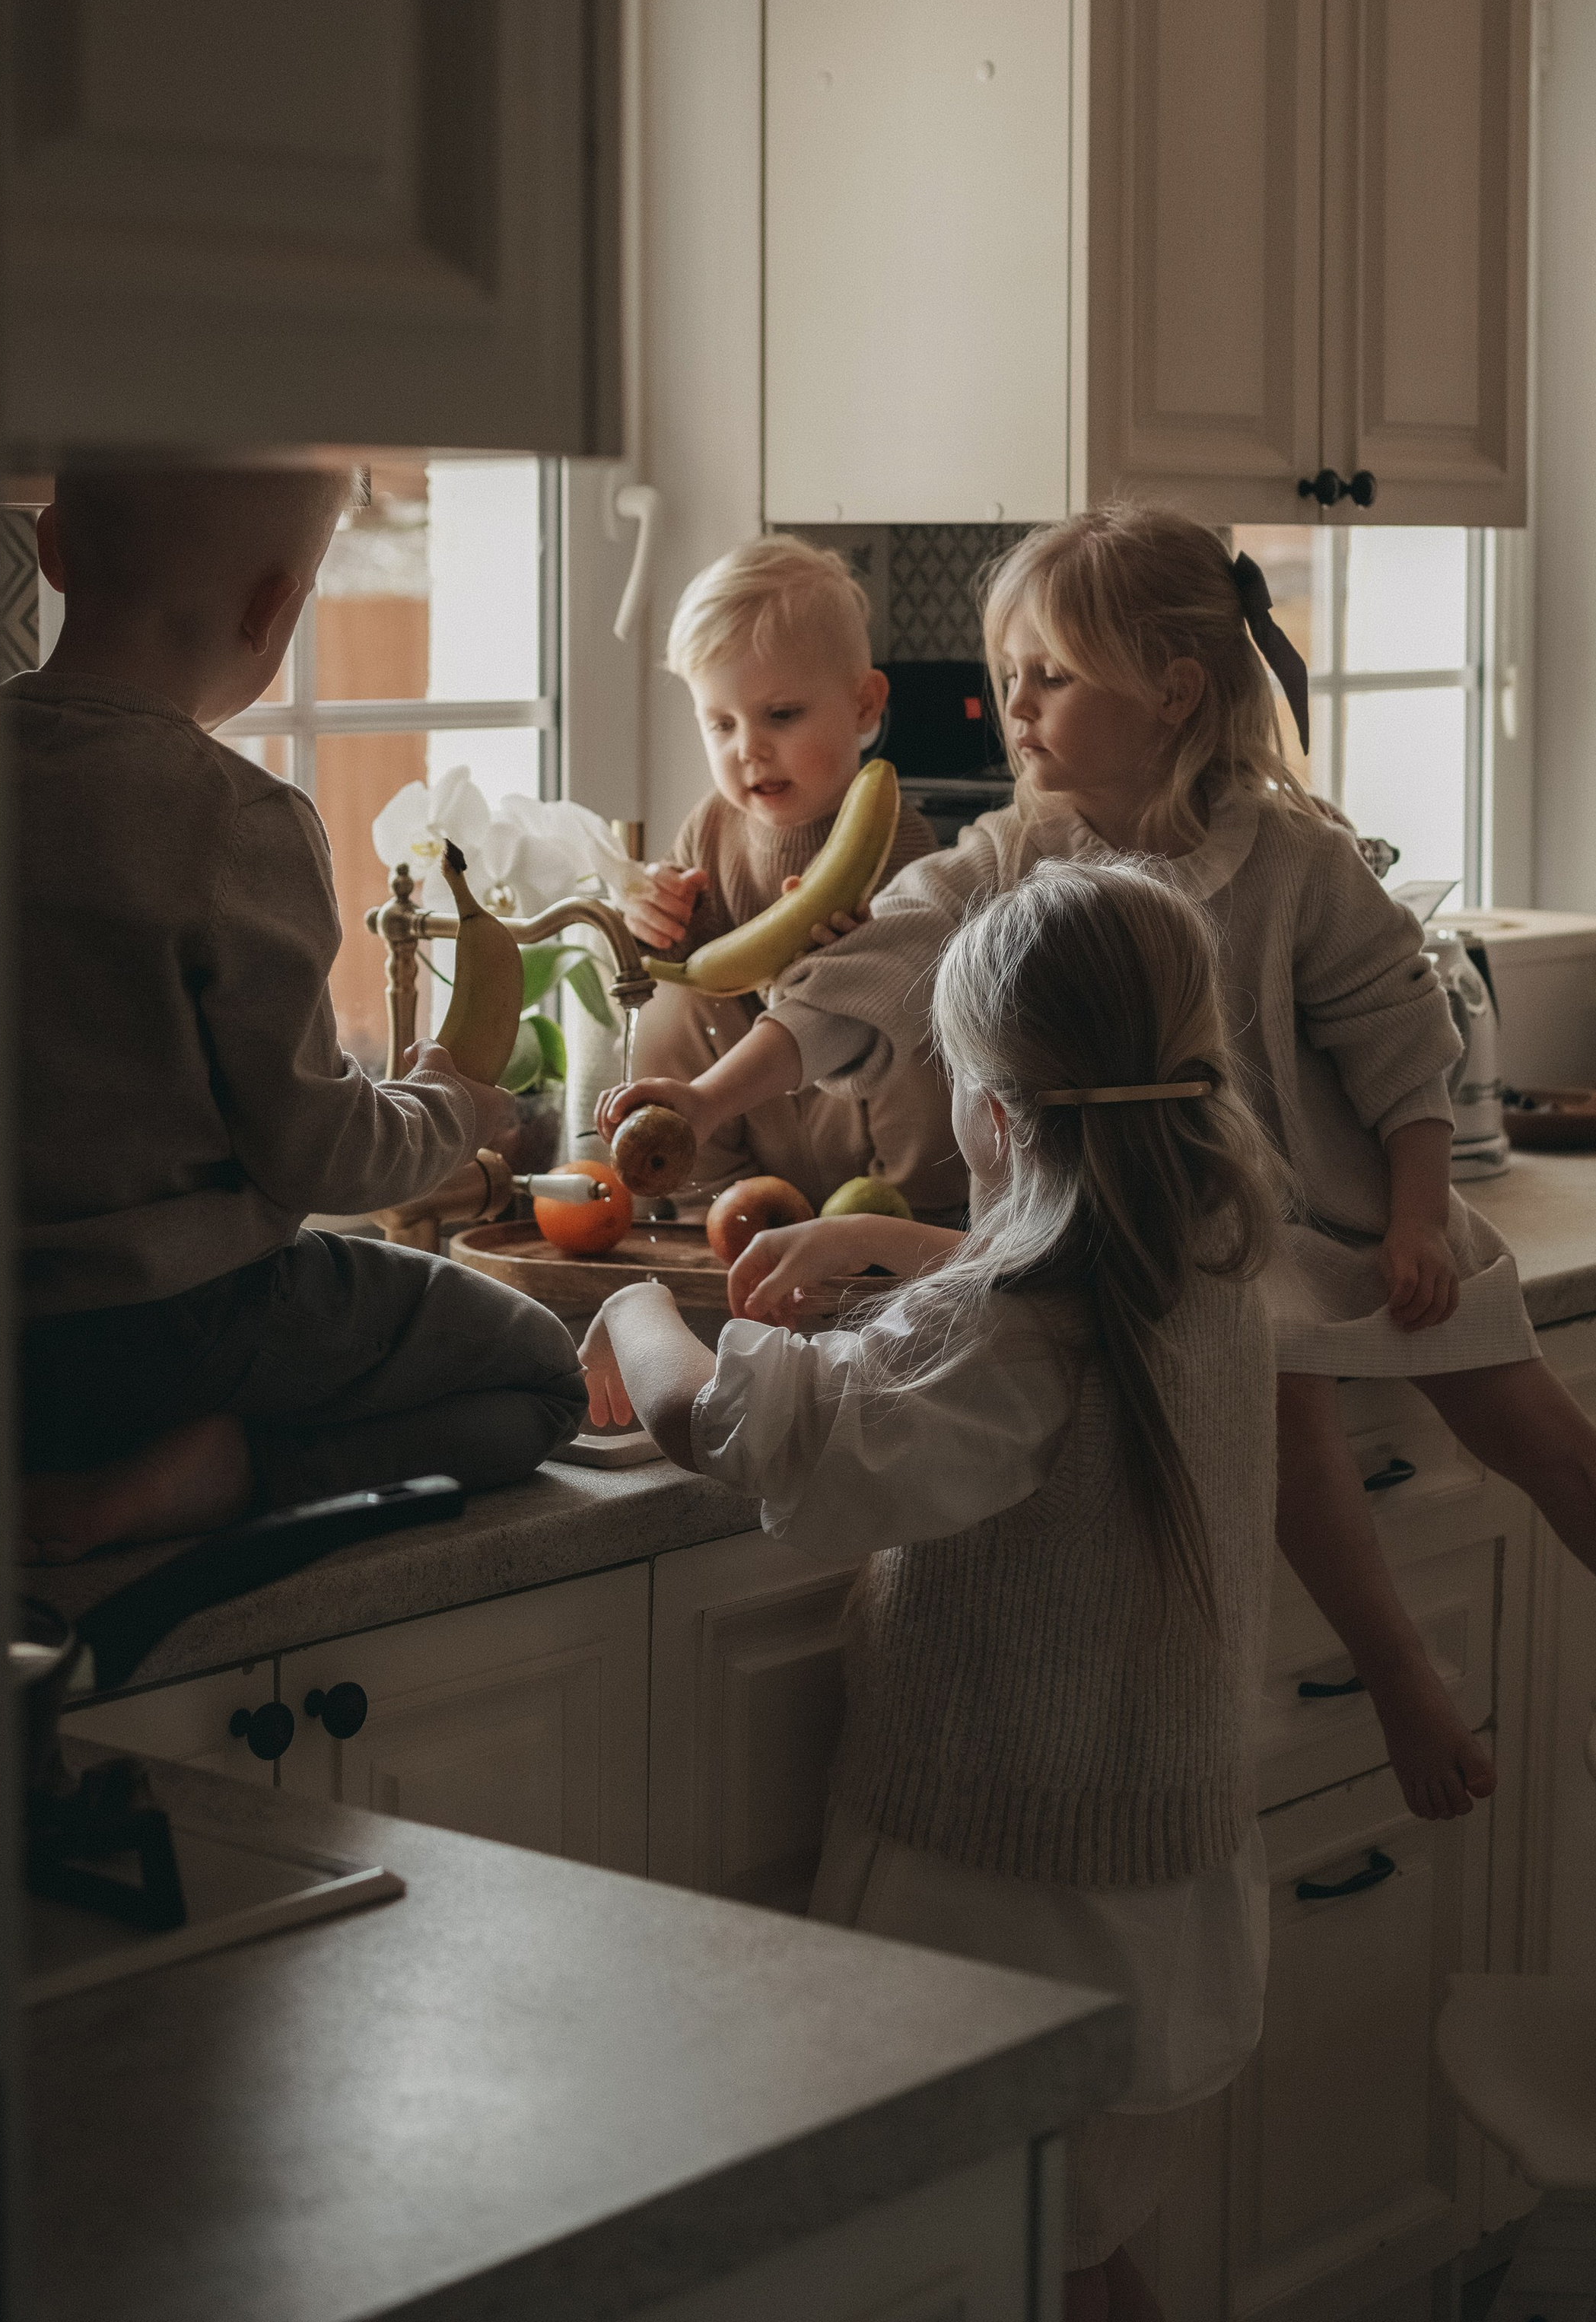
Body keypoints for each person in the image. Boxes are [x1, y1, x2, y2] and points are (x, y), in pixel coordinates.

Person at [604, 504, 1596, 1820]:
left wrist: (1414, 1222)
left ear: (1171, 693)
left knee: (1548, 1439)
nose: (1017, 705)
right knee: (1288, 1425)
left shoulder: (1293, 857)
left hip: (1354, 1222)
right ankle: (1402, 1676)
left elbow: (1406, 1045)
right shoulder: (1012, 854)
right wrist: (707, 1099)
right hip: (1193, 1249)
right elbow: (859, 982)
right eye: (1013, 677)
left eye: (1049, 676)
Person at [584, 859, 1279, 2319]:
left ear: (995, 1115)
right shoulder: (1207, 1265)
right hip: (1162, 1906)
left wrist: (634, 1306)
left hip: (1007, 1911)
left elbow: (737, 1430)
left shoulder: (1006, 1330)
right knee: (1072, 2259)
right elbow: (1054, 1295)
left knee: (1004, 2271)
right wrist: (889, 1245)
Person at [9, 465, 585, 1564]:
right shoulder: (236, 818)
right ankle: (218, 1476)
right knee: (539, 1374)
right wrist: (451, 1109)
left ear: (54, 550)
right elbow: (319, 1156)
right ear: (274, 610)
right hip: (184, 1325)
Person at [624, 534, 964, 1218]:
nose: (748, 749)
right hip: (745, 1106)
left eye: (782, 715)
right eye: (720, 723)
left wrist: (847, 949)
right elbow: (693, 975)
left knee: (923, 1031)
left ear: (865, 706)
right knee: (669, 1010)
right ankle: (712, 1208)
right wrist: (655, 925)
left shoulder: (892, 835)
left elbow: (899, 977)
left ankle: (905, 1224)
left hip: (855, 1108)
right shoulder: (710, 828)